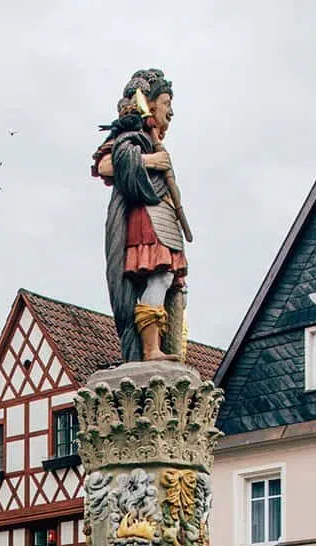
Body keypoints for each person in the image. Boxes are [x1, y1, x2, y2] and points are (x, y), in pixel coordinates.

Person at [92, 68, 189, 363]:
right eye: (166, 103)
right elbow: (105, 166)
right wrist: (150, 160)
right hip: (146, 216)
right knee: (159, 276)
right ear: (149, 103)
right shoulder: (132, 135)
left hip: (162, 216)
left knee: (167, 280)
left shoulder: (149, 138)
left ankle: (157, 346)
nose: (171, 111)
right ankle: (150, 350)